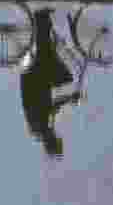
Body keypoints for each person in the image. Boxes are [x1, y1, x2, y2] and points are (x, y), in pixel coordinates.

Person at [20, 8, 82, 158]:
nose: (57, 137)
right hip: (36, 81)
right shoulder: (41, 131)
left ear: (51, 142)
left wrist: (70, 99)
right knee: (60, 72)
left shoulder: (42, 129)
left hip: (36, 79)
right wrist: (68, 99)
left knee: (48, 57)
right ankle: (44, 29)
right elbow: (52, 109)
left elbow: (52, 107)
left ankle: (41, 19)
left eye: (56, 141)